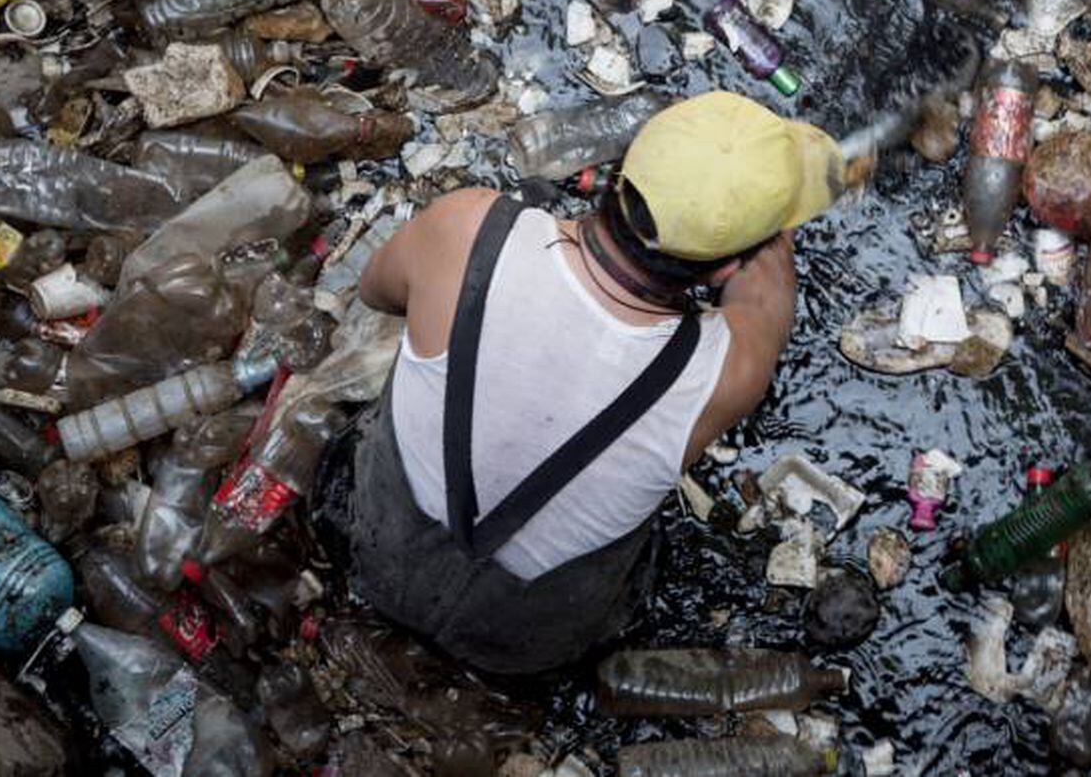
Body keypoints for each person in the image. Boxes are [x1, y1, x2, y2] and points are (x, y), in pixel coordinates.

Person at [317, 92, 843, 676]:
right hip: (523, 645)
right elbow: (767, 303)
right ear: (723, 269)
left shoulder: (467, 230)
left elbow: (375, 292)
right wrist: (770, 225)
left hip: (369, 542)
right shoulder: (727, 372)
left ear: (619, 172)